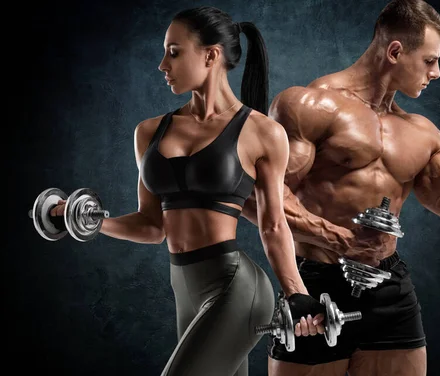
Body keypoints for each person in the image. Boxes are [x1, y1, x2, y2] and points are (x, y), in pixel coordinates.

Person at [240, 0, 440, 375]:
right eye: (429, 60)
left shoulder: (422, 134)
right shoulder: (309, 105)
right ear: (395, 51)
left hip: (389, 289)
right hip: (315, 283)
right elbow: (257, 200)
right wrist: (334, 239)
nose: (436, 73)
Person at [48, 6, 325, 376]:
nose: (163, 64)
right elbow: (152, 226)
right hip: (186, 289)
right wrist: (88, 221)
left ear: (211, 55)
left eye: (174, 52)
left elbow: (273, 226)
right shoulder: (149, 131)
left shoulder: (262, 132)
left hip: (237, 288)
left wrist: (298, 294)